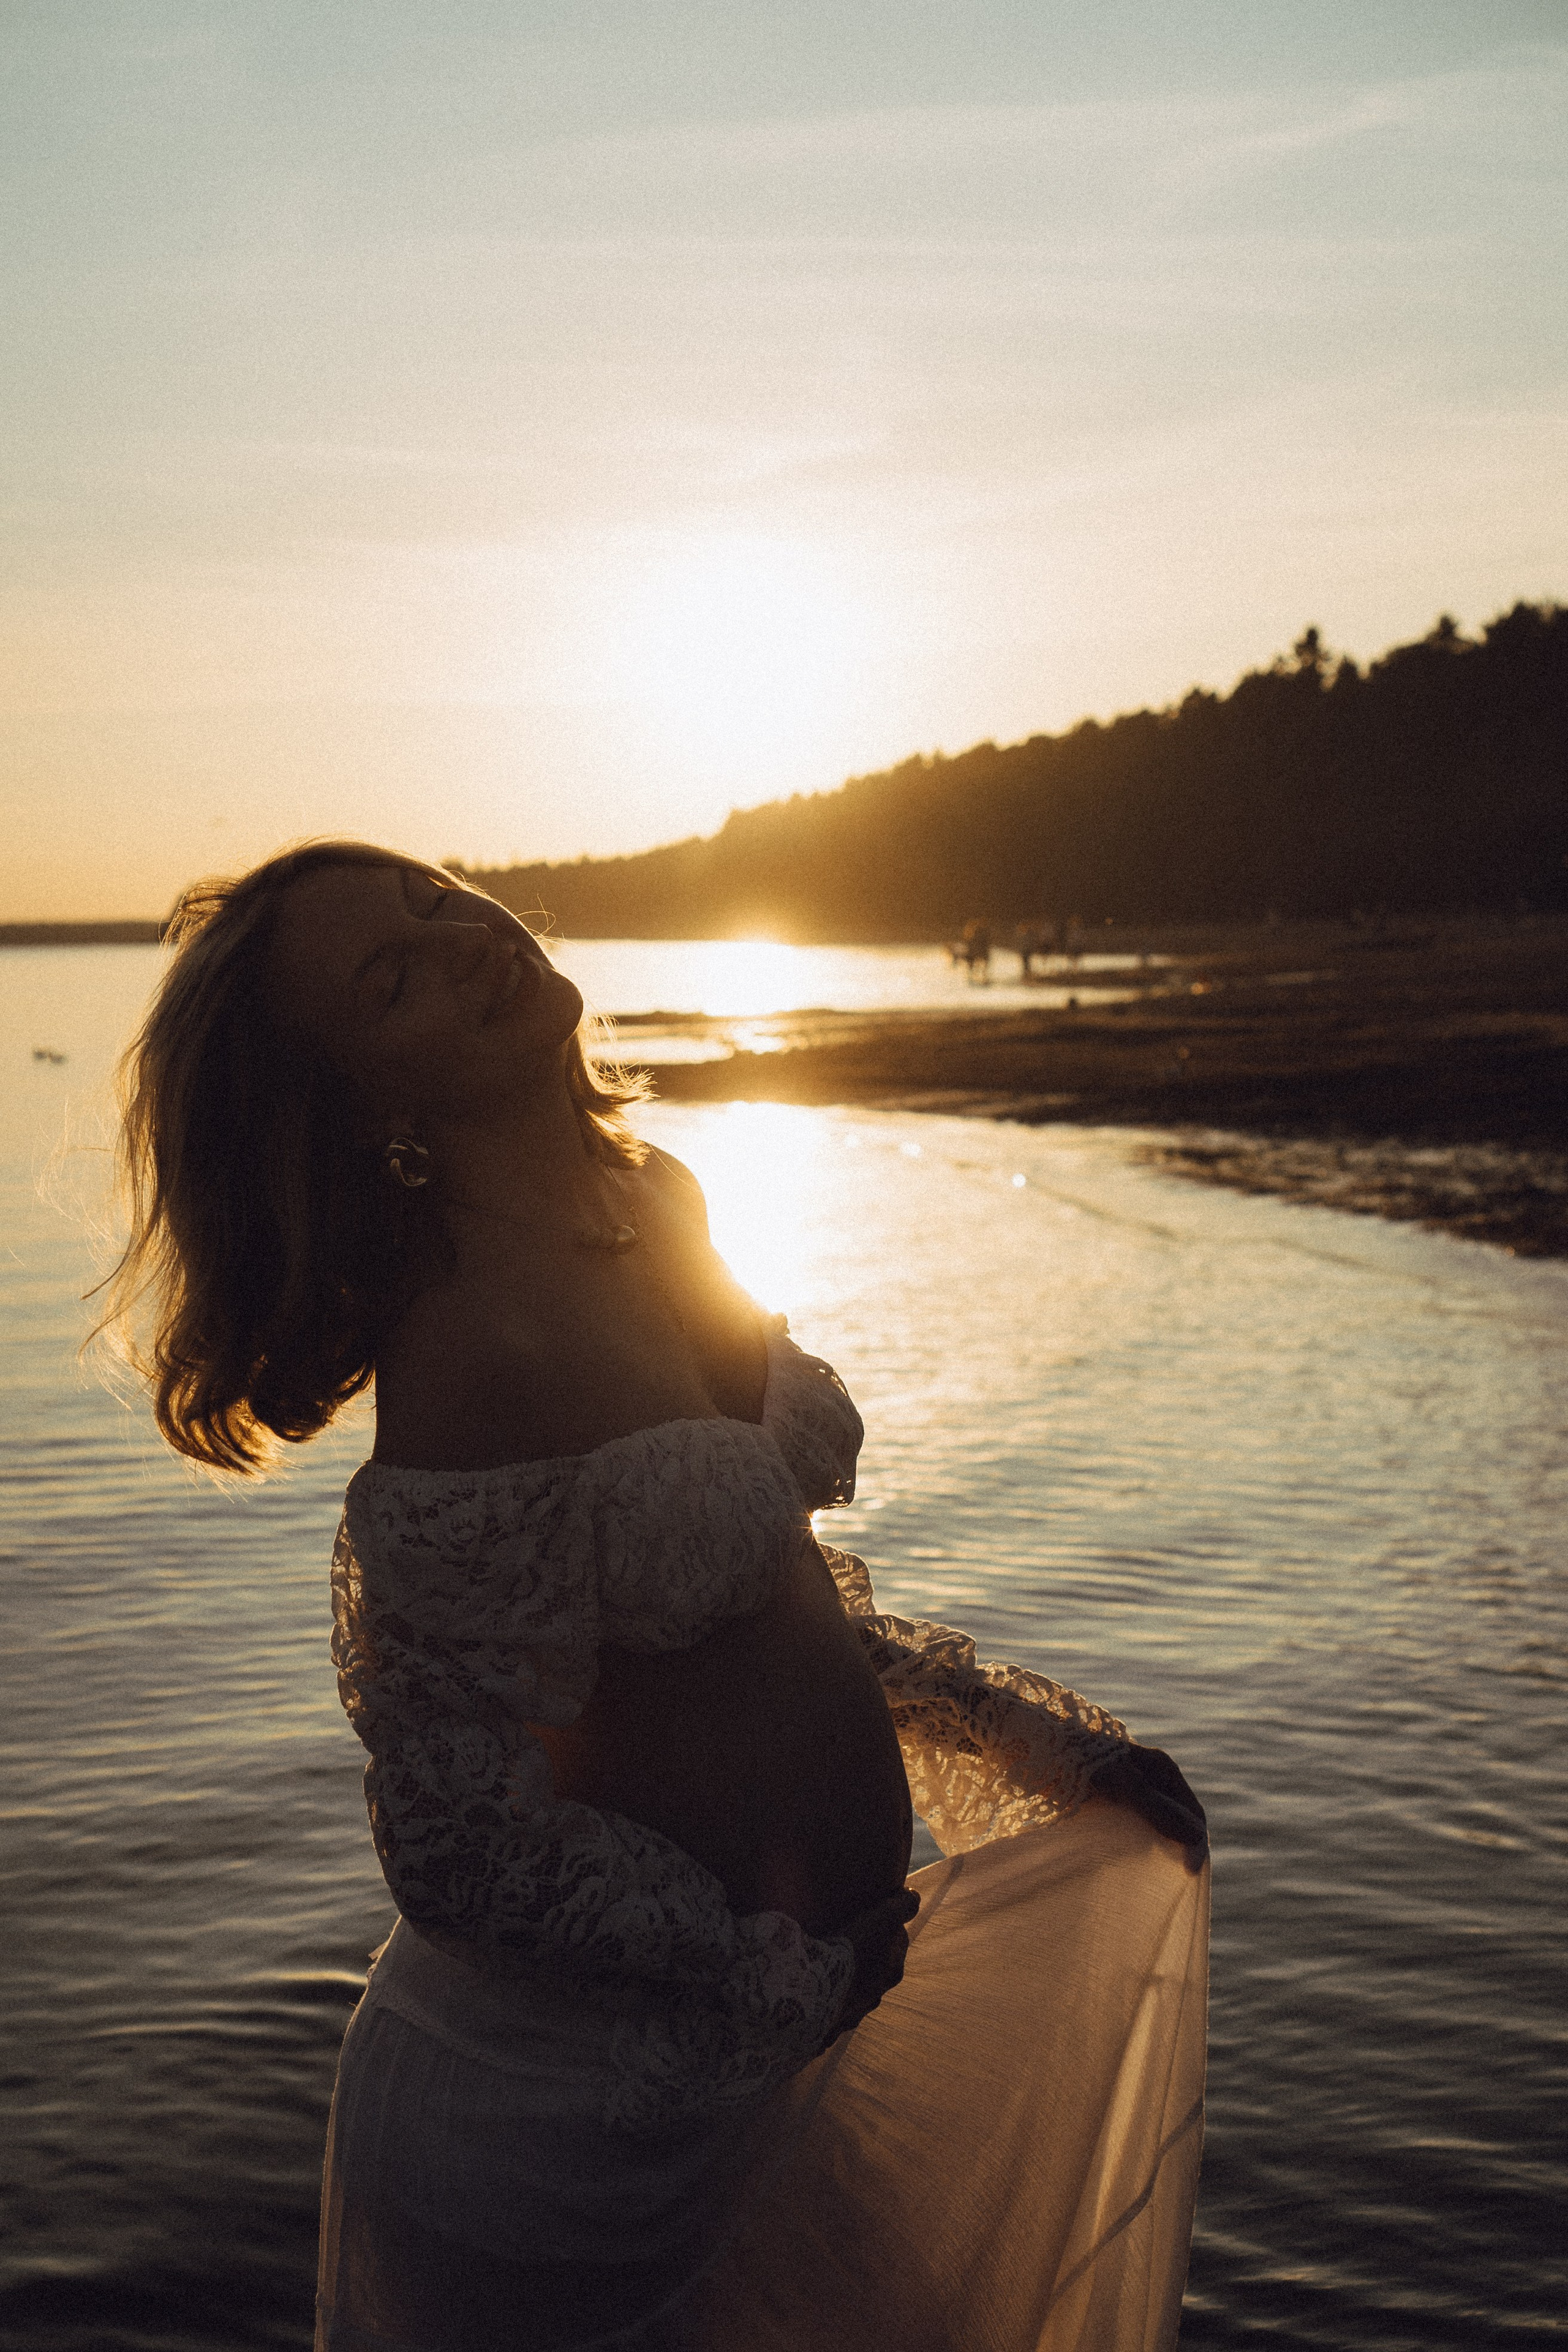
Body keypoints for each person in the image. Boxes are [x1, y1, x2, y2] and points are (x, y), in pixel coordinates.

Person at [100, 841, 1210, 2352]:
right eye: (391, 975)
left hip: (765, 2057)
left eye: (434, 901)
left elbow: (761, 1599)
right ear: (368, 1110)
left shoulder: (658, 1197)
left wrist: (1043, 1750)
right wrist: (769, 1971)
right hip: (563, 2144)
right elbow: (454, 1832)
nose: (462, 940)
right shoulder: (467, 1348)